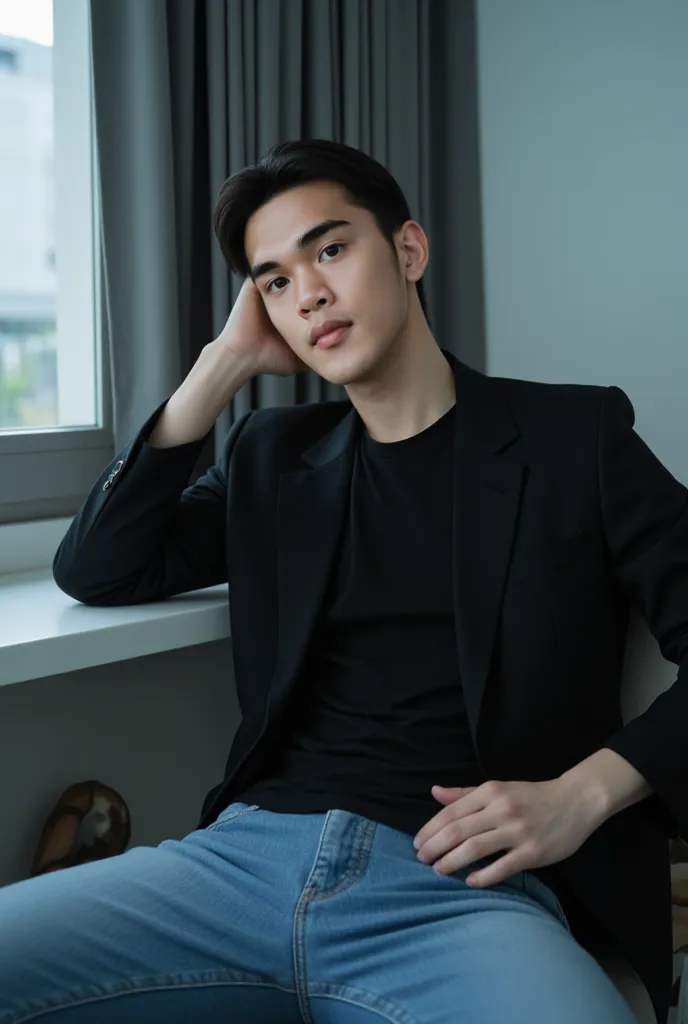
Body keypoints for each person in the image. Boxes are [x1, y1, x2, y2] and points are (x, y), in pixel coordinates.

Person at [1, 138, 685, 1024]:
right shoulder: (273, 457)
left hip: (463, 893)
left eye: (329, 250)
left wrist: (580, 794)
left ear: (408, 251)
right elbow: (98, 565)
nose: (309, 293)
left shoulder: (572, 440)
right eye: (275, 281)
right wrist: (223, 367)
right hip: (238, 868)